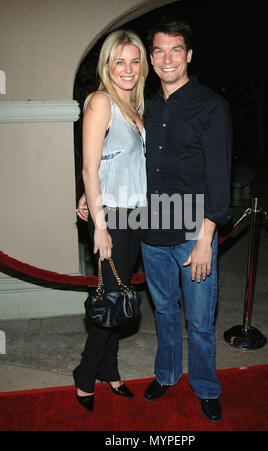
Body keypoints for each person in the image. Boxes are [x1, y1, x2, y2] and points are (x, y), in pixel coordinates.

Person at [77, 19, 232, 423]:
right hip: (149, 228)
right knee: (162, 311)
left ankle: (205, 386)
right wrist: (93, 194)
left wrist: (205, 238)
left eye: (175, 50)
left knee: (199, 320)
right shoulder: (146, 105)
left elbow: (219, 179)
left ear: (189, 55)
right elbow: (118, 158)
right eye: (159, 51)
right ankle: (166, 374)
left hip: (192, 231)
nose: (166, 59)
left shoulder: (211, 106)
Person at [73, 29, 148, 412]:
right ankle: (85, 374)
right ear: (107, 64)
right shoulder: (102, 101)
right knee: (111, 298)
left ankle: (111, 370)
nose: (128, 68)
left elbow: (112, 160)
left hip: (132, 215)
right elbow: (88, 165)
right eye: (120, 60)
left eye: (135, 60)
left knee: (118, 296)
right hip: (112, 219)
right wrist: (100, 226)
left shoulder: (133, 107)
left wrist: (91, 190)